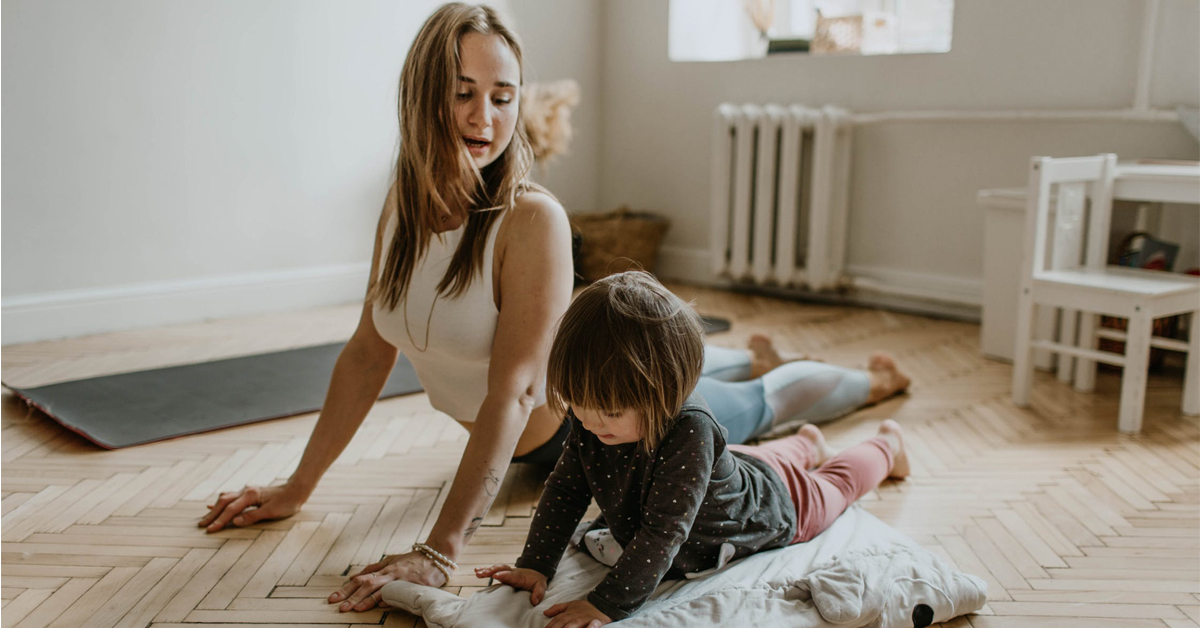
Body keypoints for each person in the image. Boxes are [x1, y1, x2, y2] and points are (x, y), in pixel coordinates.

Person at [197, 2, 908, 613]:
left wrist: (439, 550)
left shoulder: (530, 219)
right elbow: (365, 354)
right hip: (577, 414)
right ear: (421, 95)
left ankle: (869, 387)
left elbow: (513, 393)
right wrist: (298, 485)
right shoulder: (402, 208)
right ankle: (759, 377)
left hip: (608, 425)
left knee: (754, 402)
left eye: (503, 96)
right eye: (463, 92)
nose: (485, 117)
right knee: (726, 384)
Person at [475, 272, 909, 627]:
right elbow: (566, 490)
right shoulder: (594, 419)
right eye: (577, 402)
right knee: (759, 462)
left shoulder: (691, 430)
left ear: (664, 391)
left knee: (836, 483)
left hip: (774, 505)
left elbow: (664, 533)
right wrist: (535, 563)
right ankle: (806, 442)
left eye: (606, 410)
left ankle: (887, 445)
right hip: (738, 469)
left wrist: (606, 604)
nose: (588, 421)